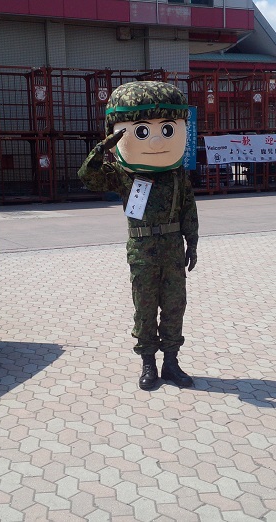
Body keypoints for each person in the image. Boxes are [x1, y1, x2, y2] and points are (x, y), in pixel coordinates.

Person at [78, 81, 198, 390]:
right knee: (144, 308)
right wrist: (102, 148)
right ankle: (148, 364)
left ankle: (171, 362)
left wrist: (193, 242)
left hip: (172, 246)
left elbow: (188, 208)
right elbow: (88, 178)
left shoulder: (177, 175)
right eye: (143, 130)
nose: (156, 139)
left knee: (174, 306)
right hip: (142, 248)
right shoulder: (123, 174)